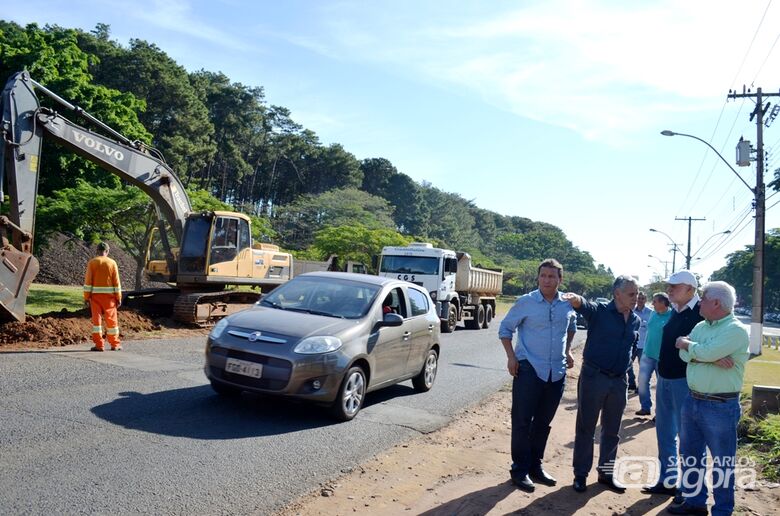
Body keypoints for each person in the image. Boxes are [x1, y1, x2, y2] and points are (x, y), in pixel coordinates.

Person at [671, 281, 749, 516]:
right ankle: (695, 502)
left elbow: (689, 348)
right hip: (693, 399)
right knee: (690, 456)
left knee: (722, 462)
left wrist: (692, 347)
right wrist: (708, 356)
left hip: (720, 405)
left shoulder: (735, 330)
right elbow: (684, 354)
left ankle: (722, 510)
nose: (699, 301)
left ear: (716, 302)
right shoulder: (701, 327)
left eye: (703, 297)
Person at [498, 258, 577, 492]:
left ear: (560, 280)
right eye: (543, 275)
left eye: (552, 276)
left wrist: (568, 350)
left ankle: (536, 466)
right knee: (522, 421)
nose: (547, 280)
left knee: (543, 422)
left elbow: (571, 328)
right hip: (529, 369)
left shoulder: (567, 305)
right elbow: (505, 330)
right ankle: (519, 469)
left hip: (557, 372)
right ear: (538, 277)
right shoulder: (526, 302)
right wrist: (512, 357)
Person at [563, 275, 640, 494]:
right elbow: (583, 305)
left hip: (619, 381)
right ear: (617, 294)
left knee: (612, 431)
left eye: (637, 293)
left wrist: (625, 369)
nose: (636, 298)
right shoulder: (600, 312)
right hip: (594, 377)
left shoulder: (635, 319)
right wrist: (575, 298)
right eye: (631, 294)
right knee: (586, 428)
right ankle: (580, 475)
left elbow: (631, 347)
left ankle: (606, 474)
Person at [642, 270, 703, 501]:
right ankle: (667, 480)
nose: (669, 289)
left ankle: (688, 489)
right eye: (669, 285)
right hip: (665, 379)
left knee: (687, 438)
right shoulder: (675, 311)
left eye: (674, 286)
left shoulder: (701, 312)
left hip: (685, 382)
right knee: (665, 433)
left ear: (690, 289)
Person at [635, 292, 672, 416]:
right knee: (642, 381)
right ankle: (645, 407)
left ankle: (659, 414)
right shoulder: (653, 314)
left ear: (663, 303)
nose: (653, 303)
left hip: (663, 357)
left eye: (655, 301)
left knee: (661, 388)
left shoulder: (672, 316)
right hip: (648, 354)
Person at [83, 242, 122, 351]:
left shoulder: (92, 263)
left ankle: (99, 345)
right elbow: (116, 282)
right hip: (110, 298)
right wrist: (118, 297)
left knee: (97, 322)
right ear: (107, 251)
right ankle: (115, 344)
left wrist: (86, 297)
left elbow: (88, 281)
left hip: (95, 297)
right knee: (112, 321)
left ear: (97, 251)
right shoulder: (112, 263)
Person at [627, 291, 652, 391]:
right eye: (639, 298)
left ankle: (640, 387)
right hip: (632, 344)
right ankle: (631, 383)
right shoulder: (631, 311)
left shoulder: (650, 313)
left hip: (644, 345)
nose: (640, 300)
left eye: (642, 298)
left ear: (645, 300)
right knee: (627, 364)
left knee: (643, 368)